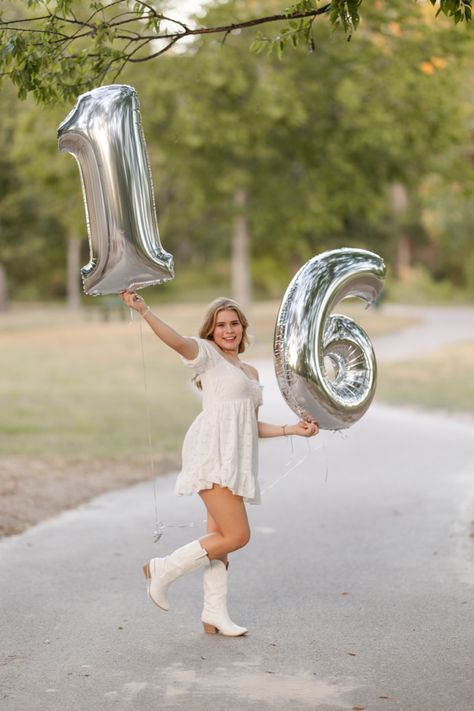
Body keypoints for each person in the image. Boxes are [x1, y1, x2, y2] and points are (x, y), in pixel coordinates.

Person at [119, 291, 319, 636]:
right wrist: (144, 310)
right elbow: (177, 342)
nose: (228, 330)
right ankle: (163, 569)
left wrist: (292, 430)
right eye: (221, 325)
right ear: (211, 332)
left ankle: (214, 613)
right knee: (238, 535)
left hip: (235, 457)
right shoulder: (207, 355)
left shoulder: (251, 370)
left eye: (234, 324)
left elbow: (251, 426)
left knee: (220, 537)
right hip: (211, 451)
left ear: (243, 327)